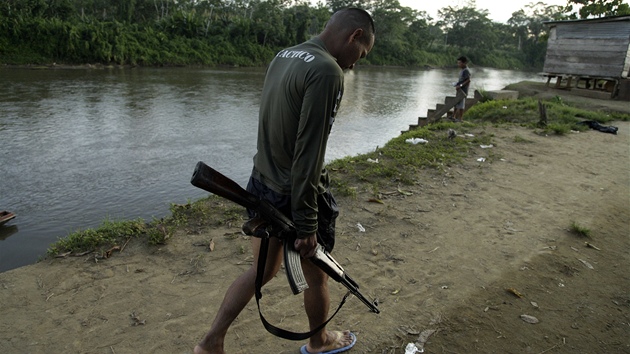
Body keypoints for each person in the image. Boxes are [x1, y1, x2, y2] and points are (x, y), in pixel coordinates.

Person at [193, 8, 375, 354]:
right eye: (361, 54)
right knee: (318, 274)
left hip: (262, 185)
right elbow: (308, 154)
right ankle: (319, 341)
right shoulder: (327, 71)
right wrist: (307, 224)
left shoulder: (285, 55)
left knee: (262, 271)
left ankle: (211, 340)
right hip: (298, 195)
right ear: (354, 36)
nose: (355, 63)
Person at [453, 56, 471, 122]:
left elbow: (468, 80)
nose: (459, 64)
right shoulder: (462, 70)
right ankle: (453, 116)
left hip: (463, 90)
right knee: (456, 102)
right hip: (459, 89)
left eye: (460, 63)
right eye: (458, 63)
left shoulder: (466, 70)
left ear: (465, 63)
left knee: (461, 105)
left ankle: (460, 119)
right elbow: (461, 80)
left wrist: (460, 85)